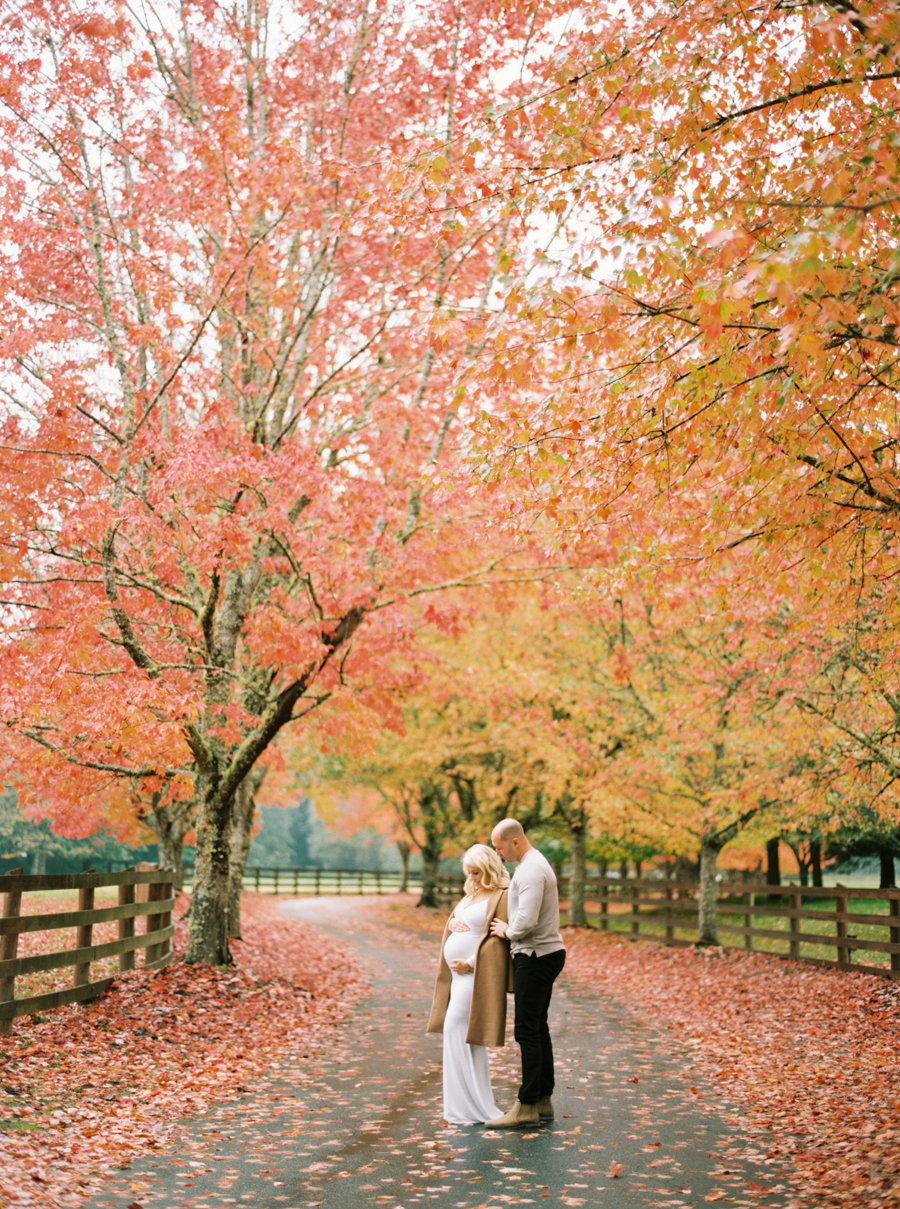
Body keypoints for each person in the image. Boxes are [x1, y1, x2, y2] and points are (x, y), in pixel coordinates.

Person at [486, 818, 566, 1129]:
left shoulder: (531, 869)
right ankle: (543, 1100)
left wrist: (508, 930)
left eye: (499, 847)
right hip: (542, 954)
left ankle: (528, 1104)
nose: (498, 853)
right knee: (537, 1027)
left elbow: (526, 920)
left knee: (527, 1031)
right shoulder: (532, 864)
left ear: (515, 841)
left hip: (535, 955)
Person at [427, 844, 514, 1125]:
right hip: (456, 974)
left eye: (477, 872)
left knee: (454, 1027)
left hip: (473, 974)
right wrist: (452, 927)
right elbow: (459, 923)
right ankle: (474, 1105)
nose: (473, 878)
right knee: (469, 1038)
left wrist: (472, 964)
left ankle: (464, 1107)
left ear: (489, 867)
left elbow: (500, 941)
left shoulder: (502, 896)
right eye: (469, 873)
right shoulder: (473, 892)